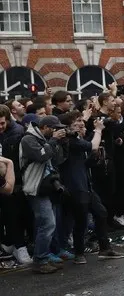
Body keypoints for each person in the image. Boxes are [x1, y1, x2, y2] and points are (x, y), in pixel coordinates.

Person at [57, 112, 124, 263]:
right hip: (75, 186)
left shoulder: (76, 139)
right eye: (77, 121)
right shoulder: (68, 141)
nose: (81, 124)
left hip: (85, 184)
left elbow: (83, 163)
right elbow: (92, 146)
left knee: (101, 213)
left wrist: (94, 158)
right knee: (80, 220)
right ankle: (79, 253)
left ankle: (105, 248)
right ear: (67, 126)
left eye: (81, 120)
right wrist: (98, 130)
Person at [20, 115, 68, 274]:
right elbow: (41, 156)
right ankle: (40, 260)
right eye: (54, 129)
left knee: (48, 224)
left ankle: (44, 257)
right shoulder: (28, 139)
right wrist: (53, 140)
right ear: (45, 127)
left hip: (47, 187)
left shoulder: (46, 140)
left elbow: (58, 160)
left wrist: (62, 143)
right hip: (35, 187)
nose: (57, 131)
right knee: (47, 223)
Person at [0, 105, 31, 265]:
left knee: (14, 215)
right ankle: (10, 243)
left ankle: (19, 245)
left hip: (14, 181)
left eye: (2, 123)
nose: (0, 127)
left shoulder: (17, 133)